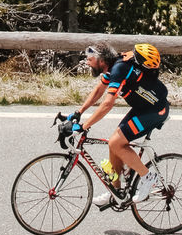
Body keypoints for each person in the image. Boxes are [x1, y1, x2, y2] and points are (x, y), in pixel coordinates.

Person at [68, 41, 169, 205]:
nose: (87, 62)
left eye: (90, 59)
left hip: (155, 111)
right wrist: (79, 112)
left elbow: (107, 104)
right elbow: (98, 91)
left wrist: (84, 126)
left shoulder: (119, 69)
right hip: (142, 108)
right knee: (113, 144)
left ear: (101, 61)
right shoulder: (113, 67)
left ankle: (148, 177)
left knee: (116, 143)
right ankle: (115, 191)